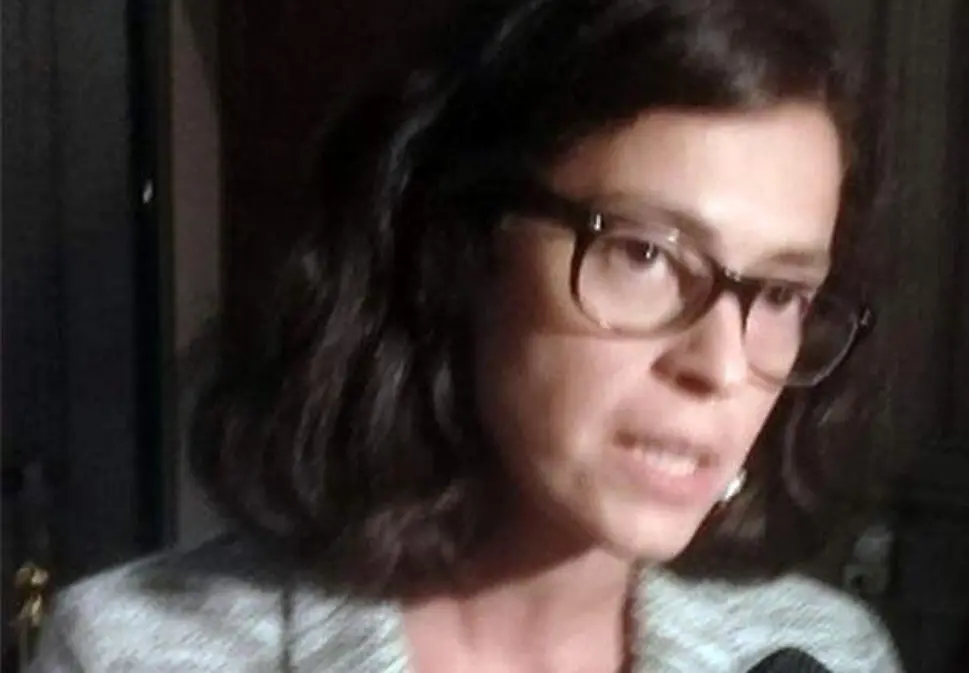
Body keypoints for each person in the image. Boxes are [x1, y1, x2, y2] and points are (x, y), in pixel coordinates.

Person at [31, 0, 901, 671]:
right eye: (644, 254)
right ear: (460, 248)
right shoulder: (133, 652)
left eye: (781, 293)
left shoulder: (827, 654)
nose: (721, 364)